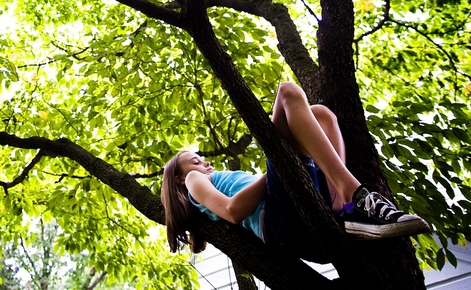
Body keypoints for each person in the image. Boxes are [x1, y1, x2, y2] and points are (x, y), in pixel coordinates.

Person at [161, 82, 430, 255]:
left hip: (303, 226)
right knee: (287, 91)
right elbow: (233, 211)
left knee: (321, 114)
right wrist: (277, 167)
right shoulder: (194, 180)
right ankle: (353, 195)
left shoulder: (214, 177)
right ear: (179, 178)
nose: (203, 163)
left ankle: (344, 209)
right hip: (280, 225)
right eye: (194, 161)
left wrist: (284, 164)